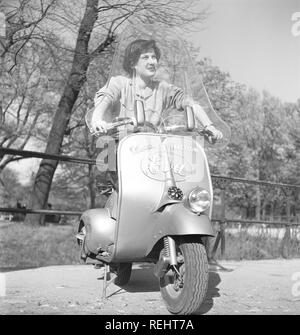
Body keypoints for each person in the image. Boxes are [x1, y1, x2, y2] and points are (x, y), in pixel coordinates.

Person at [91, 39, 223, 140]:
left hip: (152, 149)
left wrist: (208, 126)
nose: (152, 62)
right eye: (145, 57)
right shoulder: (119, 83)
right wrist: (97, 121)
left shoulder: (162, 88)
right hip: (120, 146)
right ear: (133, 64)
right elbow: (105, 98)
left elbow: (190, 103)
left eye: (154, 57)